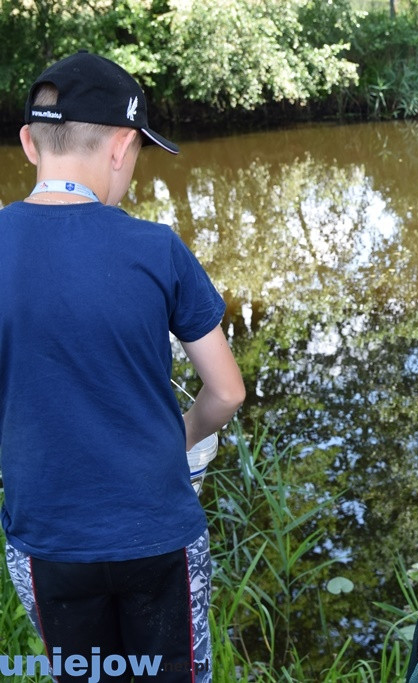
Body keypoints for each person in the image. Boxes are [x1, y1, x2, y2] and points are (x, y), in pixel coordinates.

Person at [0, 51, 245, 682]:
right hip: (158, 533)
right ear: (121, 147)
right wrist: (178, 438)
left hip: (48, 540)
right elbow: (225, 390)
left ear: (30, 143)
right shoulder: (156, 248)